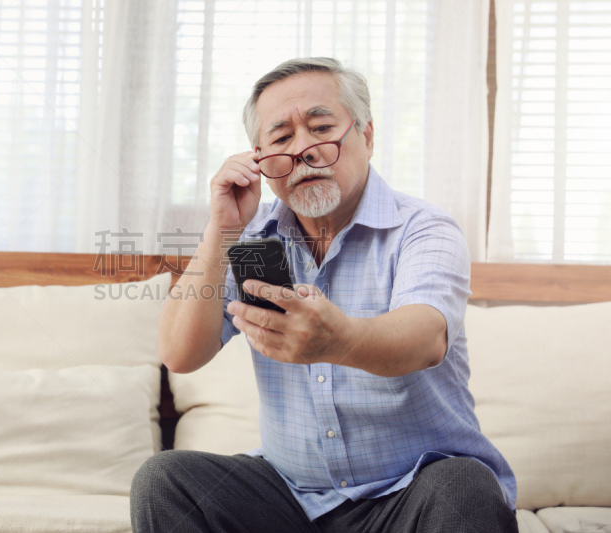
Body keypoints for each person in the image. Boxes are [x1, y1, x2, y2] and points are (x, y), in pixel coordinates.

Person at [130, 57, 518, 533]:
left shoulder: (423, 228)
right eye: (281, 139)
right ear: (261, 161)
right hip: (292, 501)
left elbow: (425, 339)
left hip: (411, 494)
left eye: (321, 127)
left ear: (367, 136)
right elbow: (179, 354)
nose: (304, 150)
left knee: (465, 487)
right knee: (166, 479)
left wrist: (338, 340)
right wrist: (221, 228)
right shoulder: (250, 240)